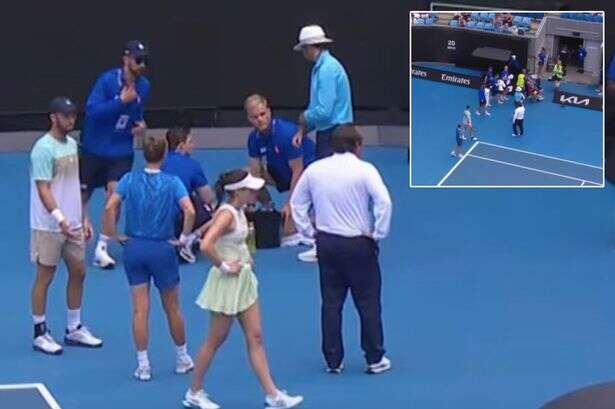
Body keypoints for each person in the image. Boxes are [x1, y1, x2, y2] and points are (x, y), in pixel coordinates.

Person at [183, 169, 303, 409]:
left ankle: (273, 395)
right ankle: (194, 392)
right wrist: (225, 265)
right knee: (215, 340)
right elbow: (207, 244)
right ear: (238, 192)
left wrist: (244, 257)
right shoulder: (227, 215)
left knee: (256, 337)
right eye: (250, 189)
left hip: (244, 282)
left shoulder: (238, 211)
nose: (255, 192)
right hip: (227, 283)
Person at [290, 125, 392, 376]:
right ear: (357, 144)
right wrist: (378, 234)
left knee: (331, 304)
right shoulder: (365, 170)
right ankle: (374, 358)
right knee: (368, 303)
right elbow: (384, 202)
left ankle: (333, 360)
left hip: (327, 244)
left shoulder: (315, 170)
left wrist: (308, 234)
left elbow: (297, 203)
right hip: (358, 245)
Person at [102, 134, 195, 381]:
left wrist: (113, 234)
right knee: (172, 308)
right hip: (162, 249)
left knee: (139, 310)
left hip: (134, 249)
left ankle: (143, 365)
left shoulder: (128, 180)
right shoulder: (172, 182)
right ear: (164, 155)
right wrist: (184, 238)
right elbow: (190, 210)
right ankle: (182, 358)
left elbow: (110, 206)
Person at [30, 97, 103, 355]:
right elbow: (43, 190)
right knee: (45, 277)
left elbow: (75, 186)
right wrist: (60, 219)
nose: (71, 120)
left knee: (79, 271)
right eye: (66, 116)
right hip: (49, 226)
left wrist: (84, 217)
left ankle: (73, 328)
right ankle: (40, 332)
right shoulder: (42, 149)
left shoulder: (72, 144)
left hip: (72, 224)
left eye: (73, 115)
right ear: (53, 117)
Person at [80, 40, 151, 269]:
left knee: (115, 195)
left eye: (144, 61)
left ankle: (102, 247)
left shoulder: (145, 86)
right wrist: (120, 102)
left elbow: (136, 114)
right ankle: (78, 225)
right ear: (126, 58)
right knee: (82, 196)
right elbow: (92, 112)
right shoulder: (106, 81)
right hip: (94, 148)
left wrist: (139, 125)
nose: (141, 65)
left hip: (121, 150)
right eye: (137, 60)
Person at [244, 94, 315, 249]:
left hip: (307, 178)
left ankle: (312, 215)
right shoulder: (253, 138)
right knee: (246, 174)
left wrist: (290, 203)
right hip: (282, 174)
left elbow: (298, 170)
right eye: (255, 117)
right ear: (249, 119)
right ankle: (268, 208)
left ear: (269, 112)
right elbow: (255, 173)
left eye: (263, 114)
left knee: (289, 233)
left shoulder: (286, 133)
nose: (260, 119)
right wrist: (250, 203)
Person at [291, 25, 353, 160]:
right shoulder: (325, 67)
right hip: (335, 132)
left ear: (309, 47)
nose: (303, 52)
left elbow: (324, 112)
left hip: (334, 134)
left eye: (303, 48)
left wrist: (304, 117)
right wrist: (303, 129)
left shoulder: (326, 69)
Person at [162, 126, 217, 263]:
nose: (194, 145)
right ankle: (190, 238)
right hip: (178, 218)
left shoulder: (159, 163)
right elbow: (209, 198)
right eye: (190, 142)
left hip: (155, 219)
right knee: (218, 213)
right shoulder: (192, 165)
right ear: (181, 146)